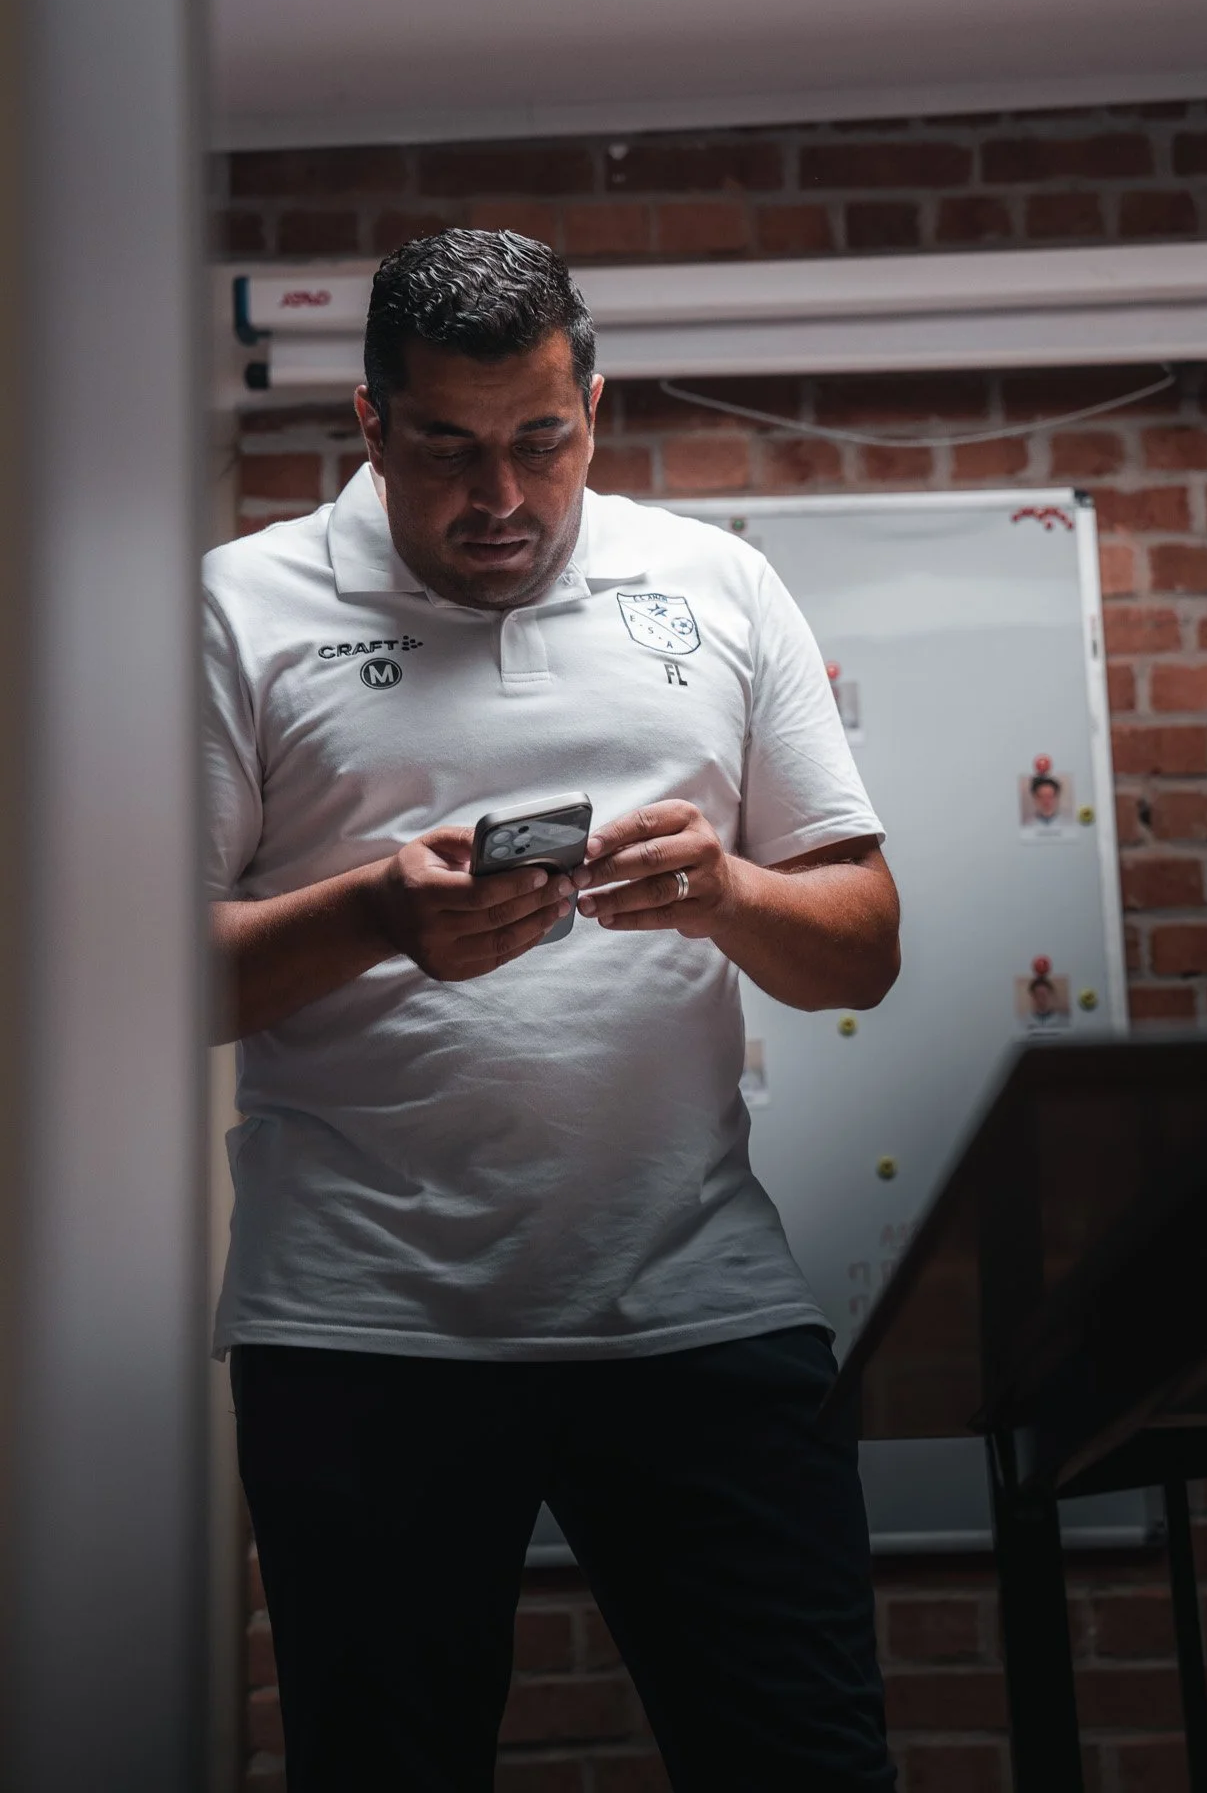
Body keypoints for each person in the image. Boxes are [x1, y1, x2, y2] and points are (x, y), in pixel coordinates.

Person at [205, 229, 902, 1792]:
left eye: (541, 443)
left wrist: (730, 894)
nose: (500, 500)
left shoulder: (717, 582)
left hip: (698, 1300)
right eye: (445, 449)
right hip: (360, 1324)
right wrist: (380, 912)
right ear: (371, 427)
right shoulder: (239, 608)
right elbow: (123, 988)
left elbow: (859, 946)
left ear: (598, 407)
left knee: (810, 1764)